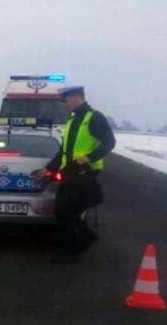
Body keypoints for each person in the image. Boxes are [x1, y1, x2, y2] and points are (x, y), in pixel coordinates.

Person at [35, 85, 116, 263]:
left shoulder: (93, 117)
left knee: (67, 211)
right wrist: (49, 169)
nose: (65, 104)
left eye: (67, 100)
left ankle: (72, 251)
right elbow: (63, 152)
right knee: (64, 211)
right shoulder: (72, 121)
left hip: (84, 173)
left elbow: (109, 142)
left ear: (78, 97)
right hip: (69, 173)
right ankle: (82, 240)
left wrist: (89, 157)